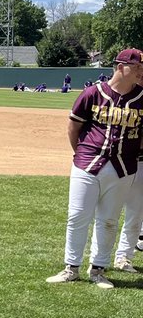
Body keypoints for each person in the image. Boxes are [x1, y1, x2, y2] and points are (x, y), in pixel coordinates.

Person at [46, 48, 143, 289]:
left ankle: (98, 269)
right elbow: (73, 127)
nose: (141, 70)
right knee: (77, 216)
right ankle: (71, 267)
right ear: (121, 67)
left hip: (123, 167)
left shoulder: (142, 98)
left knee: (109, 220)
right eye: (137, 66)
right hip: (87, 163)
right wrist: (80, 153)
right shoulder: (92, 93)